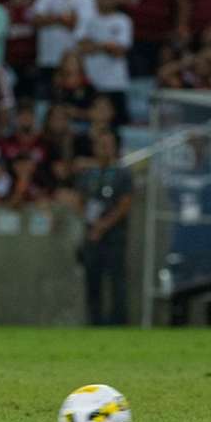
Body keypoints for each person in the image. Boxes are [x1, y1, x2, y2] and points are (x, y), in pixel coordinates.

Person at [76, 131, 132, 326]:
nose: (105, 149)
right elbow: (80, 201)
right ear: (95, 148)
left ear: (115, 148)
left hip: (114, 235)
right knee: (93, 282)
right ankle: (95, 323)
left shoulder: (122, 174)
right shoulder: (88, 175)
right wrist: (92, 223)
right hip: (92, 236)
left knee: (117, 282)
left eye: (109, 145)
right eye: (101, 145)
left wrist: (103, 225)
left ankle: (118, 324)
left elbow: (124, 205)